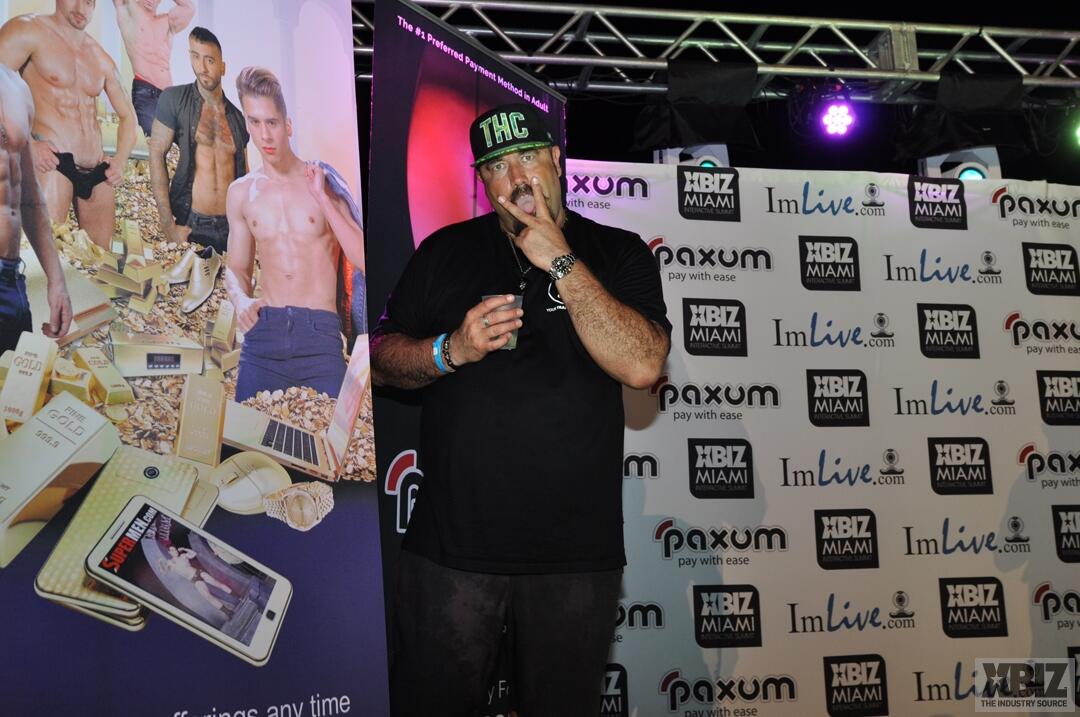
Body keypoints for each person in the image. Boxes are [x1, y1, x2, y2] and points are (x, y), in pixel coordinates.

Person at [371, 103, 671, 717]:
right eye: (496, 166)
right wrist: (450, 349)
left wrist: (561, 261)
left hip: (573, 556)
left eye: (528, 157)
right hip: (451, 551)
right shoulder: (445, 251)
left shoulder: (617, 253)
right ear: (483, 181)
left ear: (556, 160)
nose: (516, 178)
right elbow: (378, 358)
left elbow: (643, 365)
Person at [225, 66, 365, 401]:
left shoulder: (323, 182)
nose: (265, 135)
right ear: (246, 124)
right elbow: (236, 269)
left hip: (320, 337)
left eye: (272, 122)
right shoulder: (241, 193)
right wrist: (241, 299)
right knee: (244, 433)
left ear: (287, 125)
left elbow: (364, 258)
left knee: (334, 433)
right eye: (255, 122)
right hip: (264, 335)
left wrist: (323, 199)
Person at [0, 0, 137, 249]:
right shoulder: (28, 30)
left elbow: (128, 116)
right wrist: (28, 145)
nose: (82, 7)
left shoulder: (100, 58)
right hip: (51, 162)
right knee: (45, 254)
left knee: (100, 260)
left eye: (89, 1)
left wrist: (120, 160)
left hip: (96, 170)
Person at [150, 26, 247, 252]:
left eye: (210, 60)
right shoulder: (174, 99)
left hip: (231, 225)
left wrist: (247, 226)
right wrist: (168, 226)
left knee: (229, 277)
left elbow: (244, 175)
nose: (202, 68)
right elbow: (156, 153)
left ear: (223, 67)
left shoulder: (238, 118)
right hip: (192, 224)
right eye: (195, 57)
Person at [0, 65, 72, 352]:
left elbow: (28, 195)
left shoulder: (16, 86)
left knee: (18, 379)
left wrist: (56, 280)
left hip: (10, 278)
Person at [113, 0, 195, 138]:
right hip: (145, 94)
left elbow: (189, 8)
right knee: (151, 144)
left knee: (178, 147)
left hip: (169, 97)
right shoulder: (128, 15)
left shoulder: (167, 22)